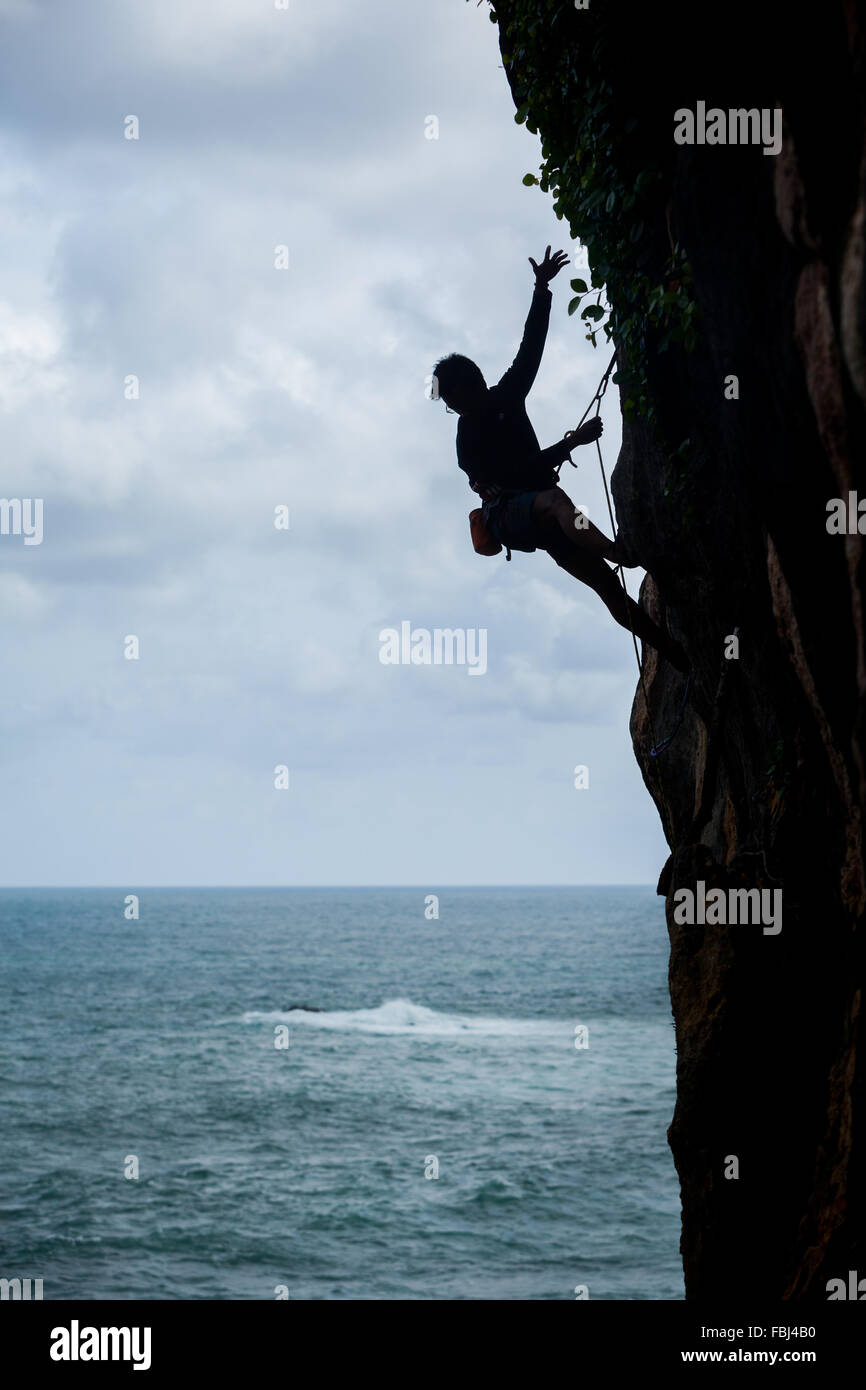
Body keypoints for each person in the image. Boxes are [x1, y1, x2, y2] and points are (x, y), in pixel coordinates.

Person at [433, 247, 688, 671]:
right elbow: (514, 474)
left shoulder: (507, 394)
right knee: (557, 505)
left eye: (457, 397)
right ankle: (620, 552)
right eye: (451, 403)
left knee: (604, 583)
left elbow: (530, 346)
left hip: (544, 510)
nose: (456, 408)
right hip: (507, 514)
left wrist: (542, 288)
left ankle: (675, 654)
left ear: (473, 382)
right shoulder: (467, 440)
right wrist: (571, 444)